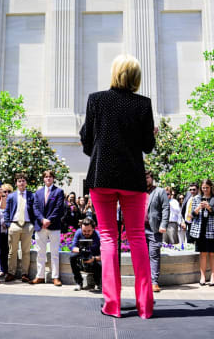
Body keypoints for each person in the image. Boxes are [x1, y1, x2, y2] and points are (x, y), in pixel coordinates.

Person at [80, 53, 156, 319]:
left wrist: (100, 150)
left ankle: (112, 304)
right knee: (137, 237)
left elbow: (87, 141)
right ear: (135, 77)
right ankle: (145, 306)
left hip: (102, 177)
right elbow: (148, 146)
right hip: (133, 178)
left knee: (109, 238)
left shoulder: (96, 100)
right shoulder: (144, 104)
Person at [32, 170, 65, 286]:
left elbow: (59, 208)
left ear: (53, 178)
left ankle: (55, 277)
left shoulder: (59, 192)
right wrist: (42, 220)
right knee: (40, 252)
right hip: (40, 226)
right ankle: (40, 276)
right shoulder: (38, 192)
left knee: (54, 253)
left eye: (50, 177)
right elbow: (35, 208)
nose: (48, 179)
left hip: (54, 226)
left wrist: (49, 220)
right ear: (43, 179)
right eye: (46, 177)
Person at [189, 179, 214, 286]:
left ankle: (213, 276)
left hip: (212, 230)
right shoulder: (196, 198)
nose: (205, 190)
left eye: (207, 188)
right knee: (202, 253)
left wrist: (208, 207)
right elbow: (192, 215)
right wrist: (199, 207)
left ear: (211, 187)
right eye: (203, 188)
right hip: (200, 230)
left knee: (213, 254)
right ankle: (202, 276)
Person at [4, 173, 36, 283]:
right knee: (12, 251)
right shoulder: (11, 196)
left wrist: (33, 225)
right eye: (19, 181)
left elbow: (35, 210)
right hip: (14, 224)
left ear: (26, 183)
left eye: (23, 181)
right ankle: (11, 273)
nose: (21, 183)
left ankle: (24, 274)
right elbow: (7, 211)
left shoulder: (32, 195)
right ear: (16, 183)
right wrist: (8, 224)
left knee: (26, 251)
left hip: (27, 225)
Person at [145, 171, 169, 293]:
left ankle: (154, 282)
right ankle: (144, 282)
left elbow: (166, 208)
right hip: (139, 229)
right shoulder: (139, 192)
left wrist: (163, 224)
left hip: (154, 229)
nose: (146, 180)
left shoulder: (160, 191)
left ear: (152, 178)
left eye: (147, 177)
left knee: (154, 255)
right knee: (142, 256)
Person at [70, 218, 102, 291]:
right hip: (82, 258)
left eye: (89, 231)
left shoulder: (98, 236)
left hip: (95, 259)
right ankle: (79, 282)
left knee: (100, 263)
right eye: (84, 231)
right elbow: (73, 248)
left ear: (93, 229)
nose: (86, 233)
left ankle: (99, 283)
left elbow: (104, 255)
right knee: (72, 257)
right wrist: (82, 250)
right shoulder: (78, 232)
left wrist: (93, 258)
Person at [0, 183, 11, 276]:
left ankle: (6, 269)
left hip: (8, 229)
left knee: (6, 250)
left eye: (8, 191)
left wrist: (7, 223)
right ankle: (0, 269)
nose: (6, 193)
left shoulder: (13, 202)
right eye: (4, 191)